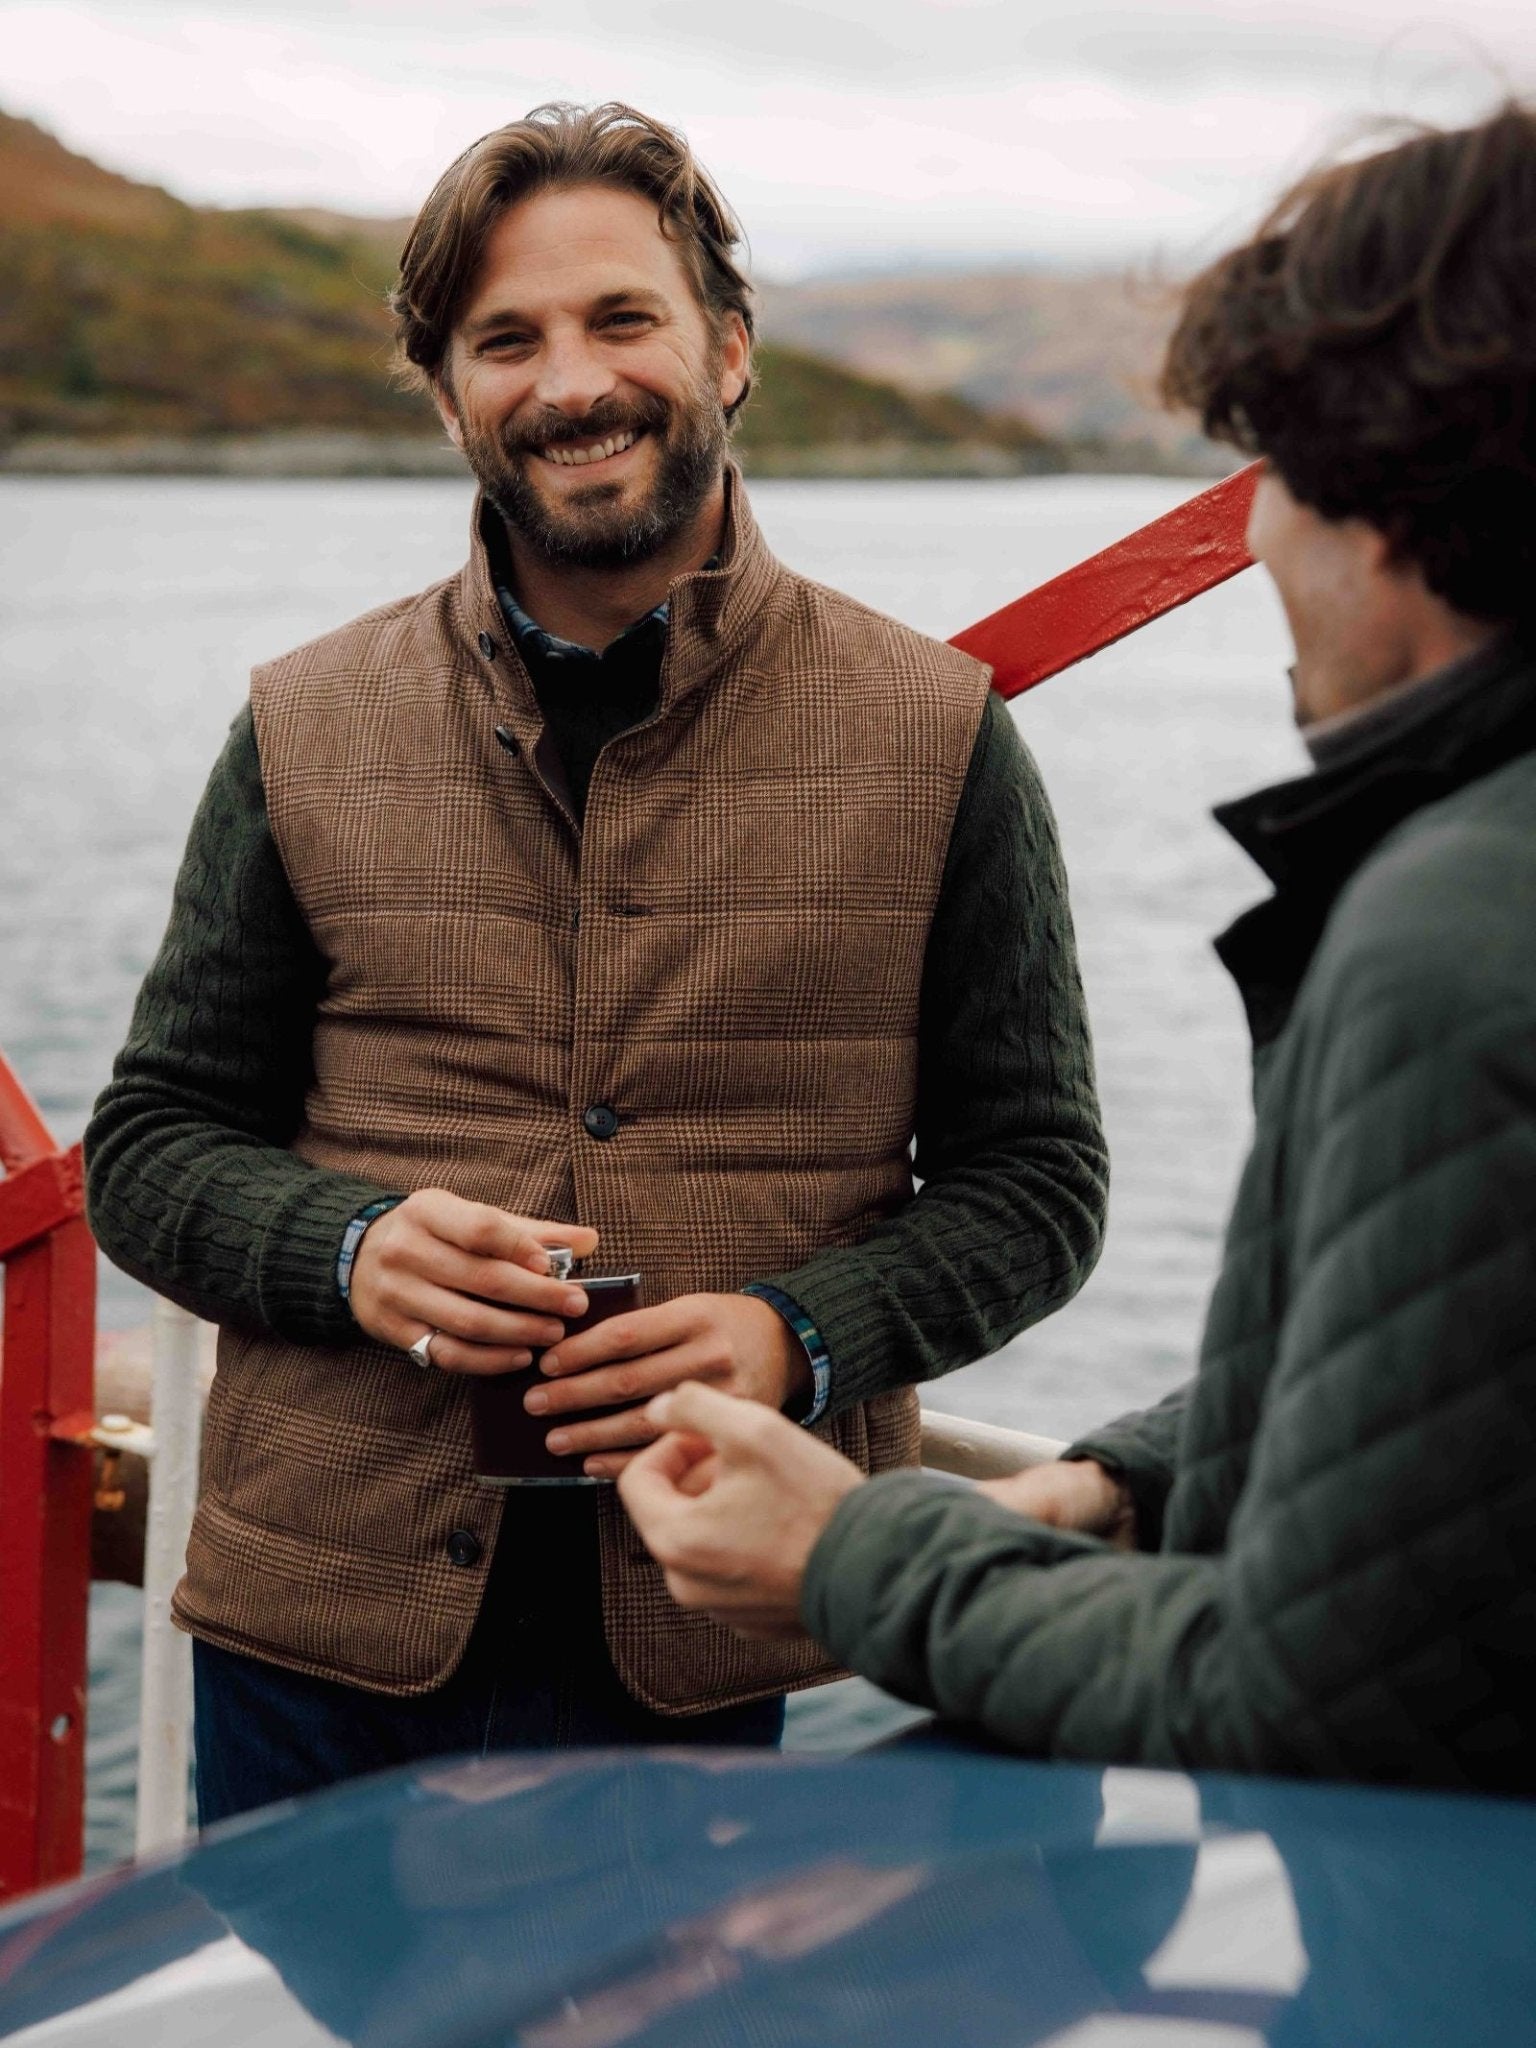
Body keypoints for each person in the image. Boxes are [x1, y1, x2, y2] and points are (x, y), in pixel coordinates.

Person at [84, 101, 1107, 1821]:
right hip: (317, 1636)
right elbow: (148, 1148)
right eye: (507, 341)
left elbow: (1040, 1184)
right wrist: (349, 1251)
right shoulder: (301, 722)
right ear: (447, 394)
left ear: (728, 347)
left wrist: (797, 1336)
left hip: (748, 1631)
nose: (572, 384)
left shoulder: (940, 734)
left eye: (622, 318)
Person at [620, 103, 1536, 1796]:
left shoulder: (1453, 936)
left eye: (1273, 482)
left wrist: (853, 1553)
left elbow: (1307, 1696)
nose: (1254, 542)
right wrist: (1136, 1482)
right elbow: (1467, 1381)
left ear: (1390, 516)